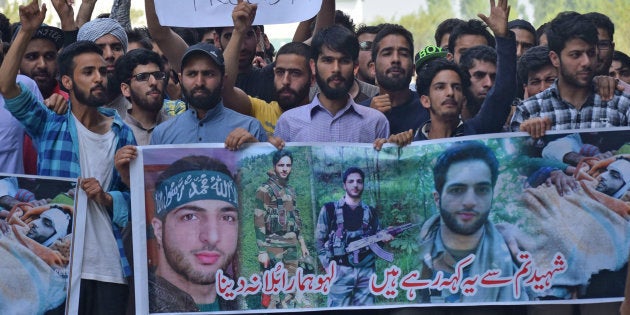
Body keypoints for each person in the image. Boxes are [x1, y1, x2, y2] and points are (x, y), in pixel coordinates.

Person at [0, 2, 137, 313]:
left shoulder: (123, 133)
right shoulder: (48, 124)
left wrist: (107, 197)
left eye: (102, 71)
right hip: (58, 268)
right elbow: (6, 86)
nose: (99, 78)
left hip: (108, 268)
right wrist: (27, 31)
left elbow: (132, 203)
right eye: (88, 72)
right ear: (67, 82)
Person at [417, 141, 527, 303]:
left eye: (482, 189)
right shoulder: (419, 252)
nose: (470, 201)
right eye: (457, 190)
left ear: (491, 196)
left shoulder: (516, 251)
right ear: (437, 199)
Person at [511, 12, 630, 136]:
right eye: (575, 55)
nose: (586, 62)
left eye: (591, 53)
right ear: (555, 58)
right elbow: (514, 153)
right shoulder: (530, 110)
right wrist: (524, 138)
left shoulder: (621, 105)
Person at [149, 155, 239, 312]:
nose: (212, 237)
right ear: (159, 229)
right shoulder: (140, 301)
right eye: (190, 217)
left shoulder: (249, 300)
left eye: (227, 218)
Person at [273, 25, 390, 143]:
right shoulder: (288, 123)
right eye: (328, 60)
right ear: (313, 66)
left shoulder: (376, 122)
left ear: (355, 67)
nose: (336, 69)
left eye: (344, 61)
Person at [221, 1, 313, 137]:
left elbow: (319, 38)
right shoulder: (261, 110)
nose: (286, 81)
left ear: (313, 78)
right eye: (280, 72)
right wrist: (238, 32)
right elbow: (224, 88)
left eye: (295, 73)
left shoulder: (324, 117)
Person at [149, 42, 267, 148]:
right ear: (181, 79)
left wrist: (256, 150)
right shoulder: (162, 134)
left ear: (223, 80)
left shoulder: (250, 128)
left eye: (209, 74)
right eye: (192, 74)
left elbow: (268, 170)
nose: (199, 82)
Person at [315, 167, 391, 306]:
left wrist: (384, 238)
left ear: (363, 185)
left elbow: (377, 243)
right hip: (339, 271)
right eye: (351, 181)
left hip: (366, 272)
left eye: (359, 181)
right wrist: (327, 267)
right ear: (344, 185)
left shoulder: (371, 212)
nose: (355, 185)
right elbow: (320, 240)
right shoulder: (330, 209)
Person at [254, 150, 309, 309]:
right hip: (272, 246)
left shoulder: (290, 190)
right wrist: (262, 251)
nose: (285, 169)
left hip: (291, 246)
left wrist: (302, 243)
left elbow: (295, 217)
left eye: (288, 165)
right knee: (272, 293)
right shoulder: (265, 190)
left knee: (290, 289)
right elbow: (258, 219)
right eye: (281, 165)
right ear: (274, 166)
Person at [360, 23, 429, 135]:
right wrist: (370, 119)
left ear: (413, 69)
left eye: (403, 54)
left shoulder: (430, 109)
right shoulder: (359, 113)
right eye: (387, 53)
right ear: (373, 68)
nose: (396, 59)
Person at [113, 48, 169, 145]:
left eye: (158, 75)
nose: (154, 82)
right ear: (126, 89)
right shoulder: (114, 134)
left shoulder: (178, 128)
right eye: (142, 77)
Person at [77, 17, 130, 118]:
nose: (109, 55)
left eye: (117, 48)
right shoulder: (68, 111)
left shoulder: (142, 106)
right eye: (99, 49)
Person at [16, 23, 65, 99]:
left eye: (49, 56)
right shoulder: (3, 102)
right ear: (16, 62)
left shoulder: (73, 105)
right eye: (32, 57)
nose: (42, 65)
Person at [584, 12, 615, 76]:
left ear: (612, 48)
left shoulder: (624, 86)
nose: (597, 52)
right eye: (590, 44)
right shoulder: (559, 85)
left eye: (602, 45)